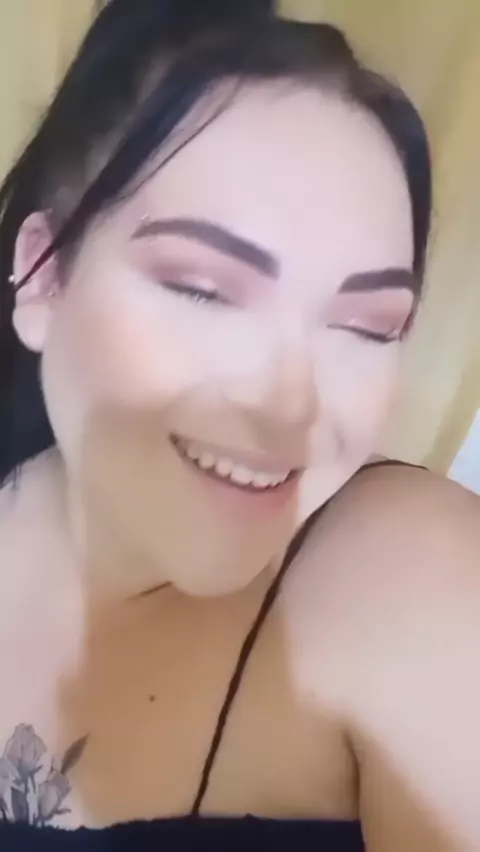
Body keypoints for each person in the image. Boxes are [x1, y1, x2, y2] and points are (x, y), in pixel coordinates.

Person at [0, 1, 479, 849]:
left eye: (369, 327)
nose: (292, 410)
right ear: (42, 275)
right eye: (203, 290)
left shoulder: (414, 576)